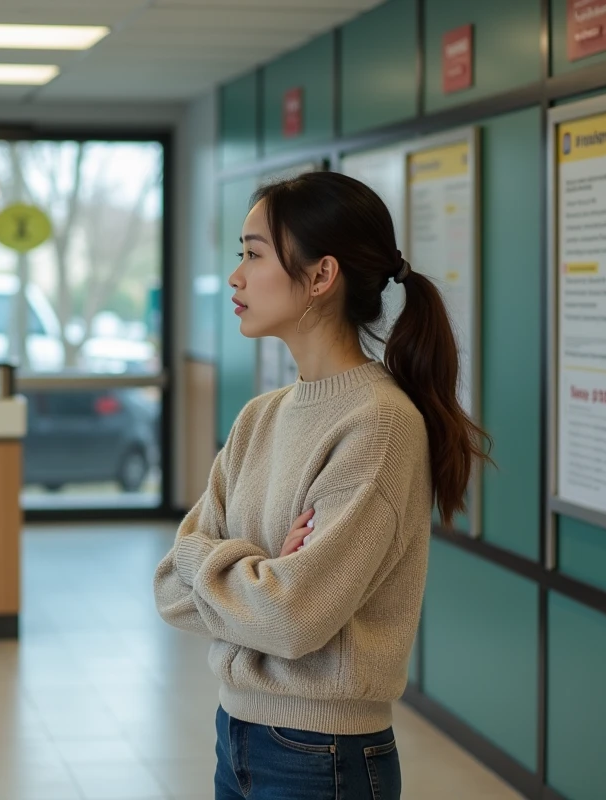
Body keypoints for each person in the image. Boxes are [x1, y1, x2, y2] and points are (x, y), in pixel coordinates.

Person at [153, 172, 490, 799]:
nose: (236, 277)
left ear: (320, 276)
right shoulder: (261, 416)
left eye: (253, 255)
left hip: (322, 756)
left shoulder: (379, 426)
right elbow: (170, 585)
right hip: (237, 732)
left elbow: (289, 620)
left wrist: (230, 566)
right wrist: (261, 566)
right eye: (240, 255)